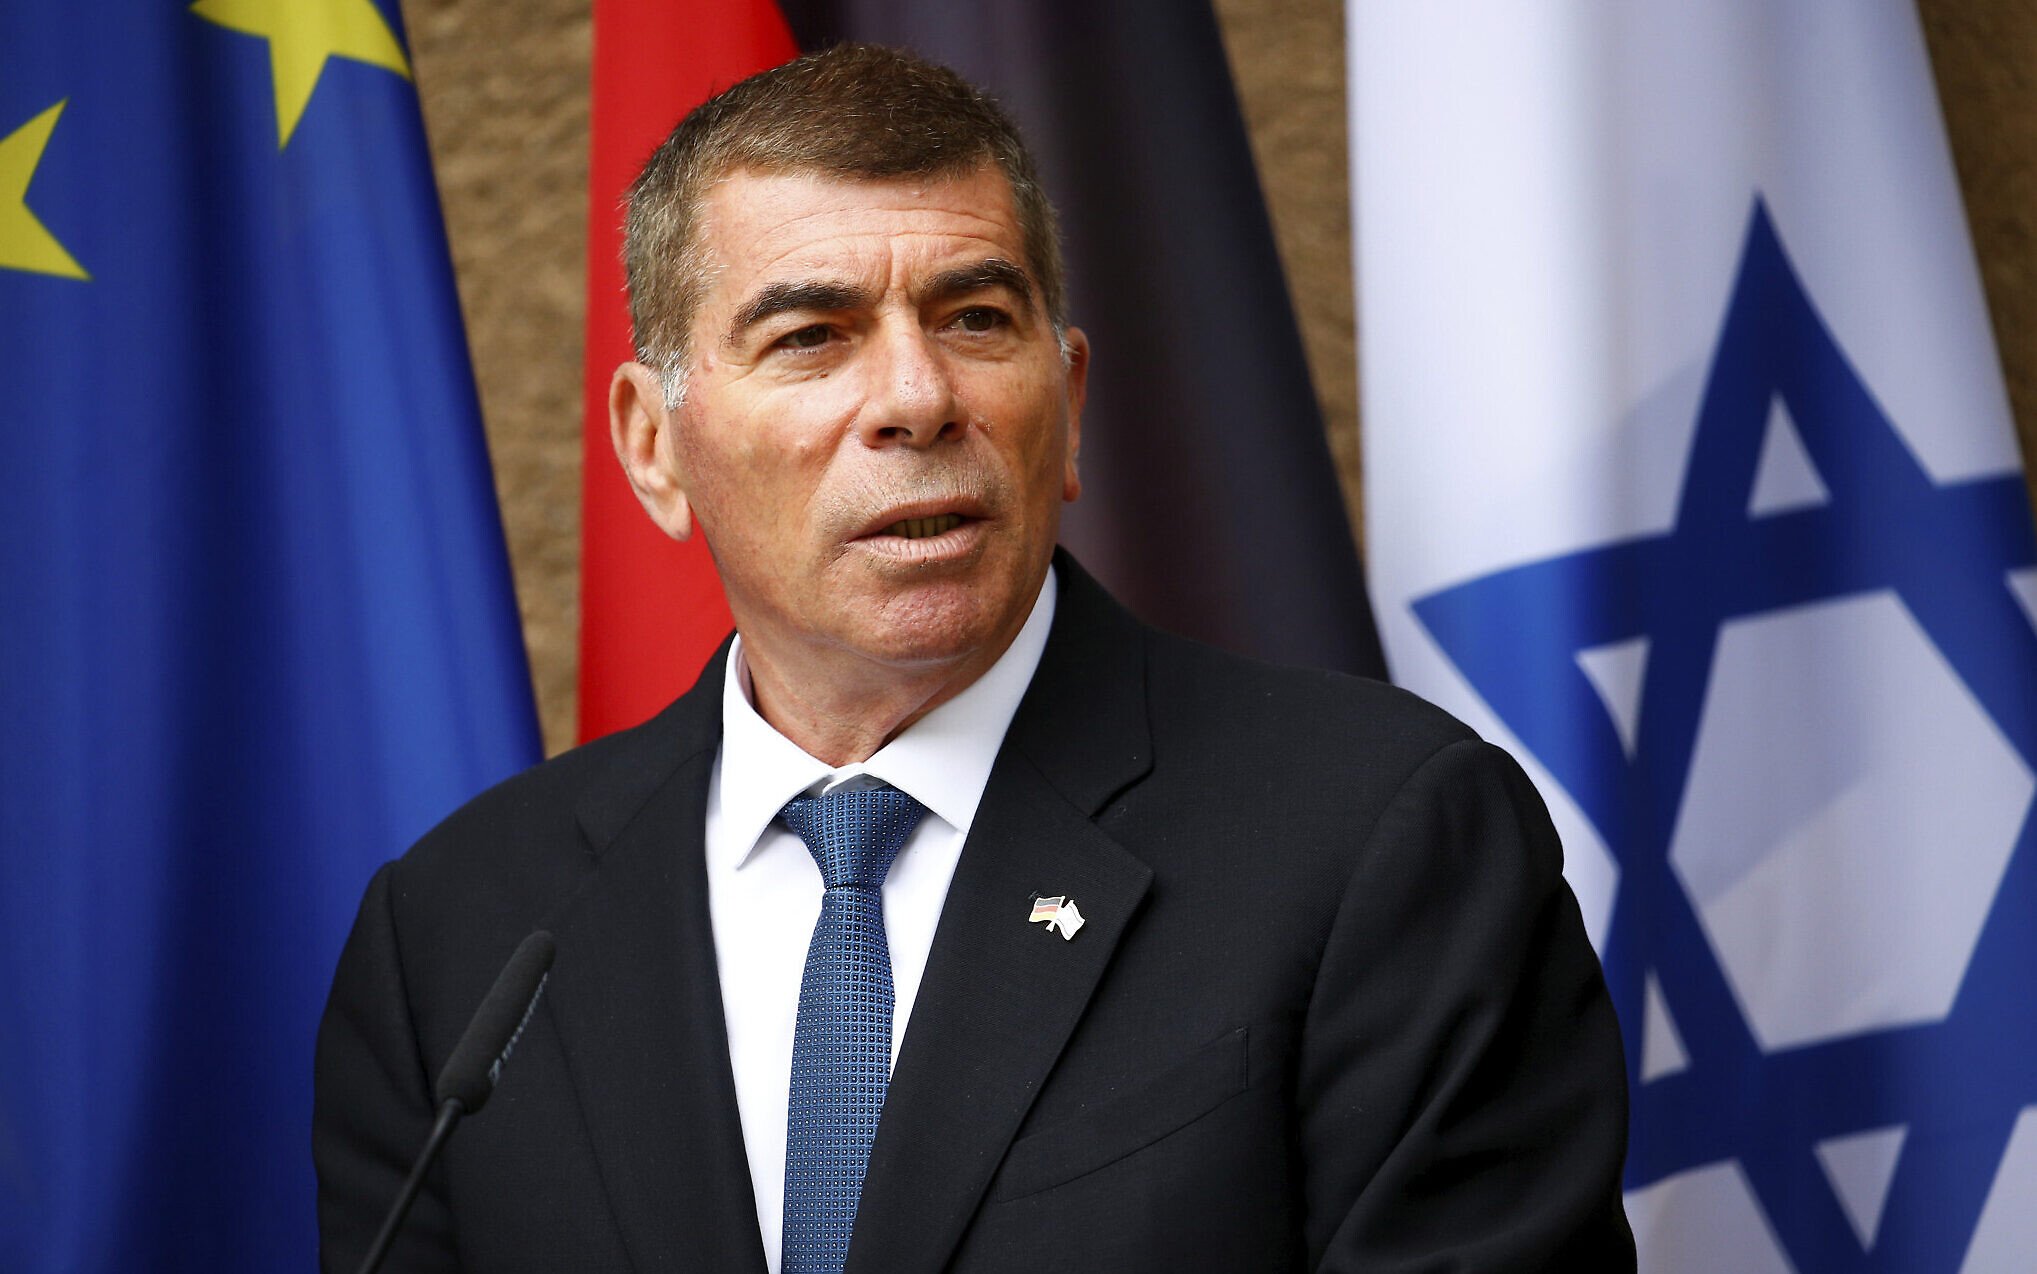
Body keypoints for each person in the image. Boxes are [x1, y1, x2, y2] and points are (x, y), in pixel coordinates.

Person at [314, 44, 1634, 1273]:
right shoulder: (458, 939)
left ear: (1070, 406)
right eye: (811, 336)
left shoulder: (1379, 841)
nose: (917, 397)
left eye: (977, 319)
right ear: (654, 446)